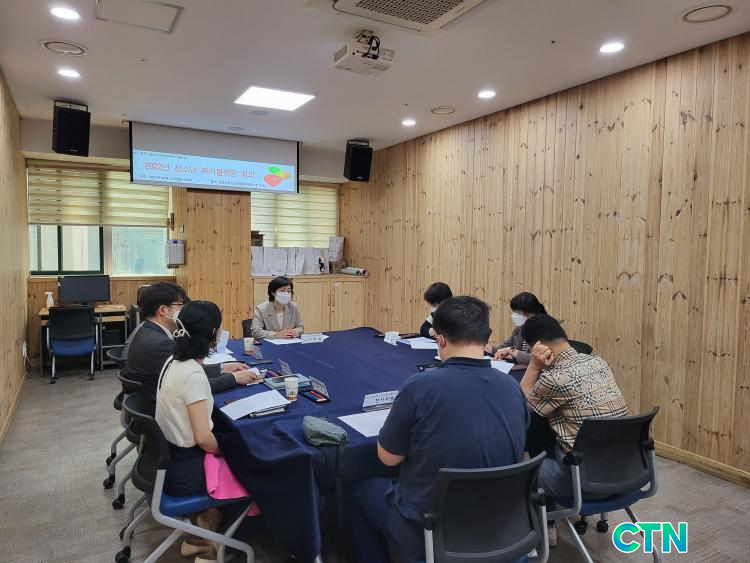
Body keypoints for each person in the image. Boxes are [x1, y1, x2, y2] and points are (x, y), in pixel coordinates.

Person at [347, 296, 529, 563]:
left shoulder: (419, 387)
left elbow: (388, 458)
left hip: (432, 532)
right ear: (486, 336)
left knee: (360, 490)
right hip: (503, 525)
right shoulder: (513, 387)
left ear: (441, 339)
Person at [520, 314, 629, 498]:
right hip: (626, 472)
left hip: (586, 482)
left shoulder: (555, 378)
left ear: (540, 348)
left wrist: (534, 366)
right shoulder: (598, 362)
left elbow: (521, 405)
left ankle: (545, 514)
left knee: (521, 470)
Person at [125, 282, 259, 402]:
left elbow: (189, 371)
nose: (184, 309)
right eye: (180, 305)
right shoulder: (160, 344)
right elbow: (193, 385)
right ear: (163, 310)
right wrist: (235, 378)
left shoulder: (148, 330)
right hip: (156, 405)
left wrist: (223, 368)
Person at [491, 291, 547, 364]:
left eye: (518, 313)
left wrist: (511, 351)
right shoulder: (519, 329)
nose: (514, 316)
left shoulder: (544, 330)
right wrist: (485, 347)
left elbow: (539, 358)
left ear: (532, 313)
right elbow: (505, 347)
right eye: (514, 312)